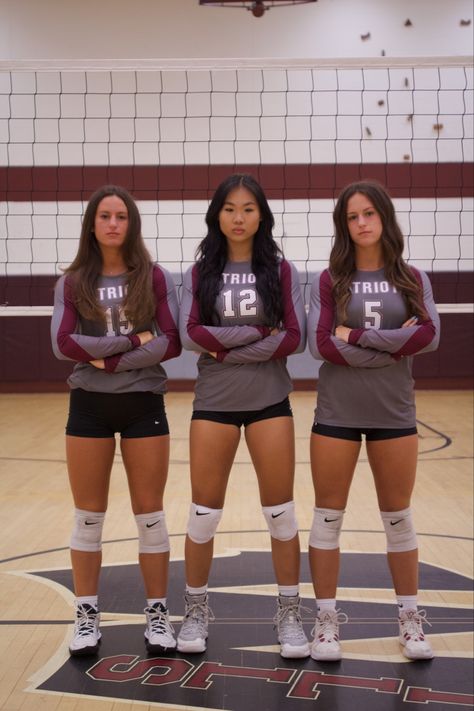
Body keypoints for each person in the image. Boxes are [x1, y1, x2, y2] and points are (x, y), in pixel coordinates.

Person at [307, 179, 440, 662]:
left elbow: (429, 336)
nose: (361, 223)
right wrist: (388, 343)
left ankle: (409, 619)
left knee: (399, 519)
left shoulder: (412, 277)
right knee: (327, 519)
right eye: (351, 216)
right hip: (336, 413)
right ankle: (324, 622)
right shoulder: (330, 279)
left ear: (384, 216)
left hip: (394, 413)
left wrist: (356, 337)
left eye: (368, 213)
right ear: (344, 225)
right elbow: (321, 344)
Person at [177, 173, 309, 658]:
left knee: (281, 514)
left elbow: (293, 337)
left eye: (248, 208)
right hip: (213, 403)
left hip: (270, 402)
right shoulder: (200, 272)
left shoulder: (280, 269)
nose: (238, 217)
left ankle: (291, 614)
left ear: (261, 215)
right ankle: (194, 610)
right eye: (230, 208)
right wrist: (257, 337)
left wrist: (227, 346)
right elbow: (191, 332)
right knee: (203, 515)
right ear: (217, 214)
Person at [51, 185, 181, 657]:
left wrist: (103, 357)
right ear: (92, 224)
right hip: (89, 405)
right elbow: (63, 345)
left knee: (151, 516)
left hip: (144, 401)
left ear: (131, 225)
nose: (112, 224)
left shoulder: (153, 277)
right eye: (104, 216)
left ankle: (158, 615)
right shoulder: (72, 281)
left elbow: (170, 341)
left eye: (120, 217)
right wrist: (129, 346)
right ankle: (87, 616)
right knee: (88, 517)